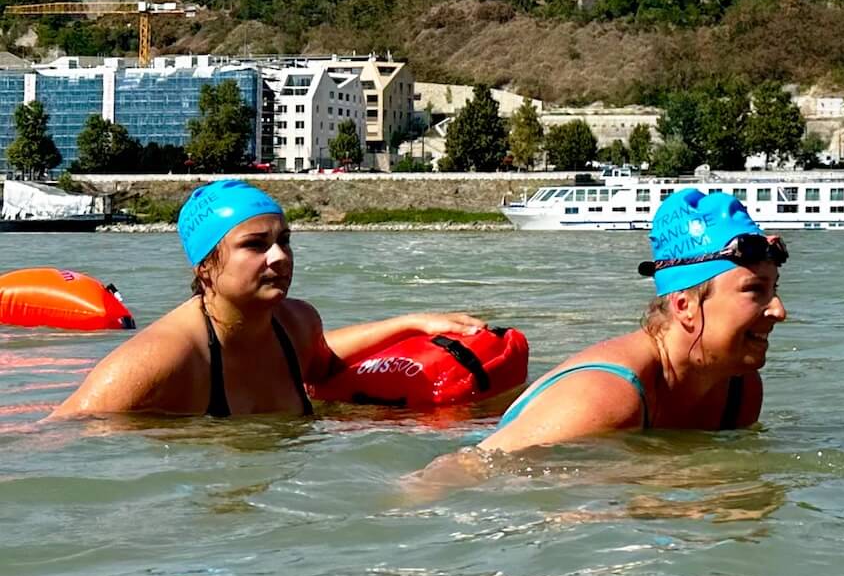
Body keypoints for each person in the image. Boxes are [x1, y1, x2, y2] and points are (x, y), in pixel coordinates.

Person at [51, 180, 483, 419]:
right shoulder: (162, 358)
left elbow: (325, 357)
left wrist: (410, 324)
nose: (280, 256)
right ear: (204, 265)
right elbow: (65, 436)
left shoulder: (296, 324)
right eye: (256, 245)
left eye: (284, 240)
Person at [476, 186, 786, 454]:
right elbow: (468, 472)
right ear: (684, 306)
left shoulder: (740, 389)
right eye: (754, 290)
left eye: (774, 289)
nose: (779, 311)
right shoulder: (604, 398)